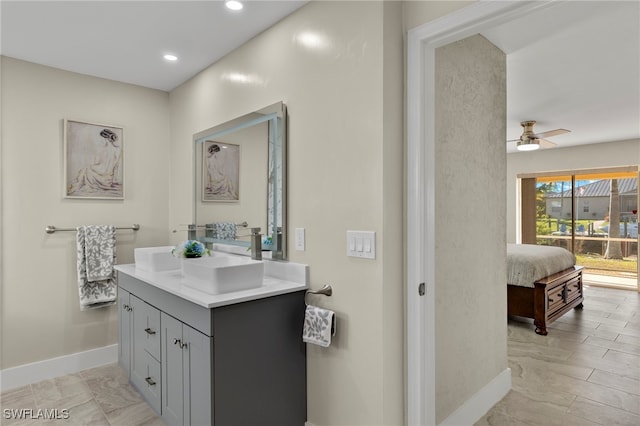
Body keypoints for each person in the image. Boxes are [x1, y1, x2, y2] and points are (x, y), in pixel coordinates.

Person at [68, 128, 122, 196]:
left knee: (86, 168)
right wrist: (113, 180)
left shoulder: (102, 150)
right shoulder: (118, 150)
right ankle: (78, 185)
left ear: (105, 139)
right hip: (108, 180)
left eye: (101, 139)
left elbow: (98, 164)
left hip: (102, 176)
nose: (100, 141)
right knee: (87, 169)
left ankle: (77, 186)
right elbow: (116, 166)